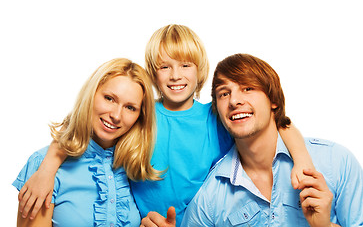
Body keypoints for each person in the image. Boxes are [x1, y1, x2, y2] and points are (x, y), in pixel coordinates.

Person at [17, 25, 314, 227]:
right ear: (153, 73)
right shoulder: (140, 113)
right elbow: (84, 128)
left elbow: (277, 125)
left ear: (200, 71)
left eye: (185, 65)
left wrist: (301, 161)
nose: (175, 75)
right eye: (164, 66)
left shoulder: (215, 116)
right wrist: (47, 168)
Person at [180, 53, 363, 226]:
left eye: (248, 88)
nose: (234, 100)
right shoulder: (209, 196)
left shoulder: (336, 162)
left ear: (273, 100)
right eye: (224, 93)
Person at [13, 58, 160, 226]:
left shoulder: (134, 167)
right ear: (91, 94)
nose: (117, 116)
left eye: (130, 108)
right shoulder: (44, 166)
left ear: (139, 117)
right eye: (109, 98)